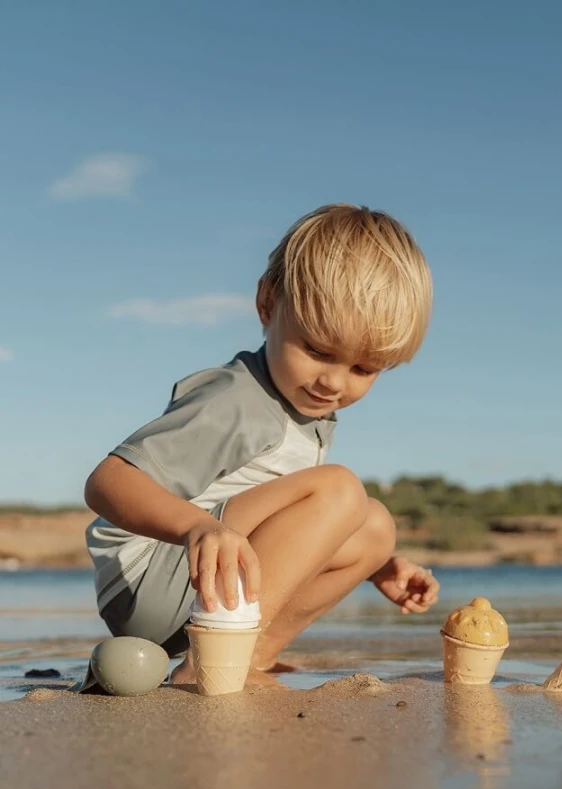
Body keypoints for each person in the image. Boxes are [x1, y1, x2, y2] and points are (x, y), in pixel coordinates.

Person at [83, 203, 440, 686]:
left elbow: (289, 528)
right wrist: (196, 527)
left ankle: (249, 658)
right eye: (317, 350)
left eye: (363, 369)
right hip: (149, 579)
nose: (333, 382)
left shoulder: (307, 410)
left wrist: (373, 567)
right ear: (268, 305)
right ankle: (209, 665)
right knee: (339, 488)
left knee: (374, 527)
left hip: (200, 583)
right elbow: (108, 481)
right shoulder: (237, 402)